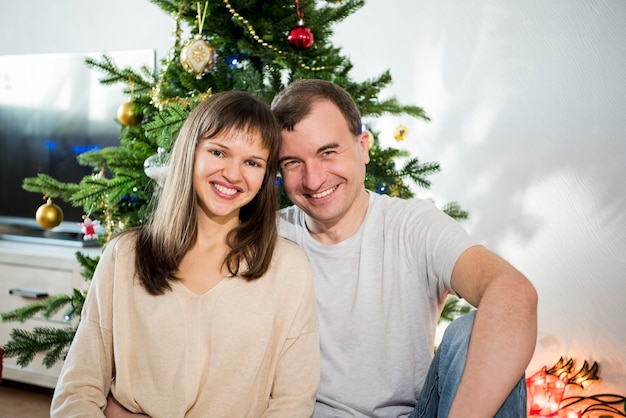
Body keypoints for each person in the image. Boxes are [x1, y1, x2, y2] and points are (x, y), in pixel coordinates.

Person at [271, 79, 538, 418]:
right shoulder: (270, 237)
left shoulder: (411, 225)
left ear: (363, 145)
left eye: (328, 152)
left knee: (475, 331)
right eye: (293, 162)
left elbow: (514, 293)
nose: (313, 179)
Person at [50, 90, 320, 418]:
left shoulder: (288, 268)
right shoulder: (125, 256)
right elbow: (77, 389)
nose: (233, 174)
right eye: (219, 152)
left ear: (265, 176)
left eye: (252, 162)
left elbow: (292, 403)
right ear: (190, 153)